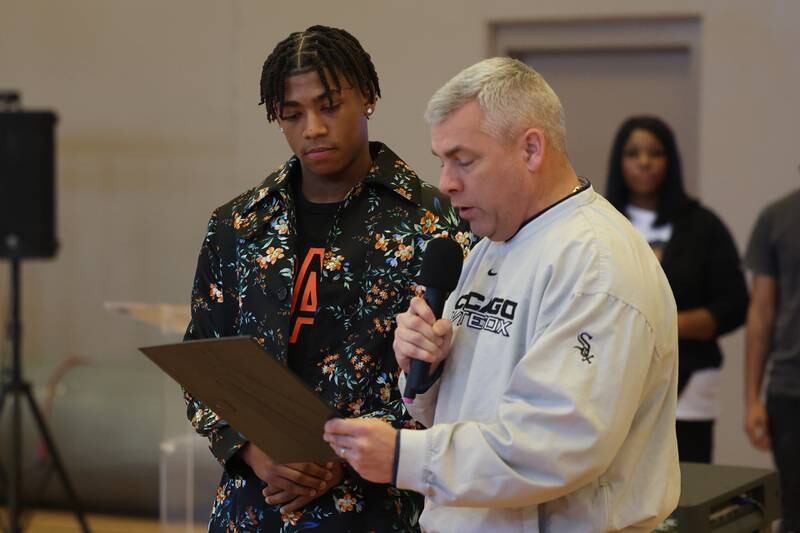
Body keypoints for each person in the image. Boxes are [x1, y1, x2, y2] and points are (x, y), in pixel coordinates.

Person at [323, 57, 680, 532]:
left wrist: (402, 457)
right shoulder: (490, 246)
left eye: (464, 160)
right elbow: (469, 412)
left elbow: (554, 444)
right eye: (442, 162)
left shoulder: (597, 263)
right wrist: (427, 373)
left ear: (531, 148)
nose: (447, 182)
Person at [183, 25, 471, 532]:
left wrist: (338, 457)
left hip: (375, 509)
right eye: (292, 115)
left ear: (369, 97)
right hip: (253, 509)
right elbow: (204, 363)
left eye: (329, 106)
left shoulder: (437, 222)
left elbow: (461, 376)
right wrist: (252, 451)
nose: (312, 127)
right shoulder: (238, 224)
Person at [605, 116, 749, 463]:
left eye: (655, 152)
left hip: (693, 375)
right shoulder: (603, 224)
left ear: (670, 160)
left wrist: (669, 325)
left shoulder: (703, 225)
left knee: (688, 477)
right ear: (618, 162)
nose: (644, 162)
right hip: (616, 373)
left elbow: (733, 303)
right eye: (633, 153)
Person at [744, 187, 800, 533]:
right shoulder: (777, 217)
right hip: (792, 390)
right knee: (794, 513)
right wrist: (752, 399)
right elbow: (762, 312)